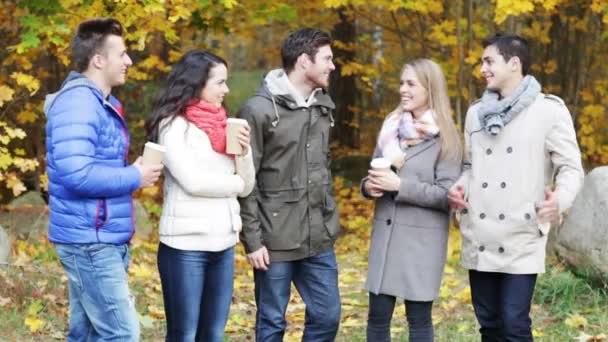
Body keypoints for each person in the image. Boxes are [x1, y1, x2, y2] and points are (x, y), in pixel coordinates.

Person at [448, 34, 584, 341]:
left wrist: (559, 200)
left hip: (522, 234)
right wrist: (459, 188)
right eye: (482, 62)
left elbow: (571, 168)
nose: (482, 68)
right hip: (480, 231)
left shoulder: (548, 110)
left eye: (488, 61)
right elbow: (470, 168)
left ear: (514, 63)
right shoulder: (475, 113)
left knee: (514, 323)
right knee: (490, 325)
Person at [44, 18, 162, 341]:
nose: (129, 61)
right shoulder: (78, 103)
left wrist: (133, 171)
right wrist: (133, 176)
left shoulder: (102, 103)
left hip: (99, 238)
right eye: (122, 54)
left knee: (87, 334)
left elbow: (93, 165)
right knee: (122, 334)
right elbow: (76, 174)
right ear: (98, 60)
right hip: (90, 241)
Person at [237, 28, 341, 341]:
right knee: (271, 323)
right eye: (327, 59)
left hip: (318, 237)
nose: (332, 66)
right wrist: (252, 240)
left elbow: (323, 167)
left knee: (328, 315)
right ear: (303, 61)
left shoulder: (324, 106)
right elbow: (245, 179)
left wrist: (327, 218)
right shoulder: (258, 110)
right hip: (274, 240)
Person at [145, 50, 255, 341]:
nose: (226, 89)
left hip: (223, 245)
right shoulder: (172, 126)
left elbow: (248, 185)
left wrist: (243, 153)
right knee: (184, 334)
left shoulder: (226, 125)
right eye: (220, 82)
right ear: (197, 83)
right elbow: (193, 182)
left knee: (213, 334)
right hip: (185, 247)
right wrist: (235, 181)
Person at [361, 59, 462, 342]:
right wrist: (369, 187)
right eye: (401, 82)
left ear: (430, 89)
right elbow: (372, 172)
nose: (403, 89)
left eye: (411, 84)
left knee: (418, 320)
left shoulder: (448, 139)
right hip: (386, 238)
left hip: (421, 244)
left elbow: (446, 195)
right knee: (377, 318)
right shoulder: (391, 129)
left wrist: (400, 186)